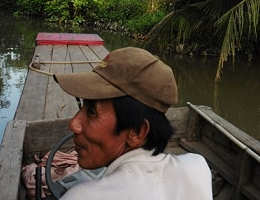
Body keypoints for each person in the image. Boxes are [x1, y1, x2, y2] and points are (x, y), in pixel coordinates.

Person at [53, 47, 213, 199]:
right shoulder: (198, 167)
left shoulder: (81, 196)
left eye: (92, 112)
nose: (74, 124)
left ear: (136, 131)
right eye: (83, 105)